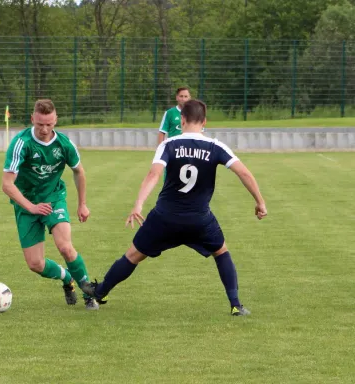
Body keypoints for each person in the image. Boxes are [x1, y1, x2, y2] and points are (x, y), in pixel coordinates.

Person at [82, 100, 267, 316]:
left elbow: (154, 174)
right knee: (221, 252)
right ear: (205, 122)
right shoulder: (216, 146)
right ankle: (236, 305)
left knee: (133, 255)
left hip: (164, 218)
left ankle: (100, 292)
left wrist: (138, 204)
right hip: (199, 220)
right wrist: (260, 202)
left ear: (182, 120)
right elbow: (243, 172)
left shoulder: (168, 144)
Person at [2, 99, 98, 310]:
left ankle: (89, 293)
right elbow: (7, 184)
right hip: (26, 203)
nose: (44, 129)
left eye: (49, 124)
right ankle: (66, 279)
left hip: (54, 198)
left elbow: (79, 172)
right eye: (40, 125)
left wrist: (82, 204)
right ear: (32, 120)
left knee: (65, 246)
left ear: (56, 120)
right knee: (35, 264)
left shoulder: (64, 144)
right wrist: (31, 207)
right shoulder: (21, 143)